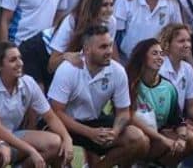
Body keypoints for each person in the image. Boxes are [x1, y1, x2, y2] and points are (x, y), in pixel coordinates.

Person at [47, 26, 149, 168]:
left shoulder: (117, 71)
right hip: (65, 124)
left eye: (110, 46)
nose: (109, 51)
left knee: (138, 139)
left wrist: (115, 132)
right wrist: (89, 133)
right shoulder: (68, 69)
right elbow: (56, 112)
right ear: (87, 49)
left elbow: (124, 112)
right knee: (54, 141)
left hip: (94, 122)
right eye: (103, 47)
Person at [0, 42, 73, 167]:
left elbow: (50, 117)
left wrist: (67, 138)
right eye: (13, 60)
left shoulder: (28, 82)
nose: (20, 63)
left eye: (20, 58)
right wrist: (31, 150)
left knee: (56, 142)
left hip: (14, 134)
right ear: (0, 66)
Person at [124, 39, 193, 166]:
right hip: (135, 137)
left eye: (161, 54)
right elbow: (128, 116)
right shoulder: (130, 83)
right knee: (140, 139)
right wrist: (162, 138)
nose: (160, 57)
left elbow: (178, 121)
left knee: (191, 138)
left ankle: (158, 165)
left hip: (157, 137)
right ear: (143, 57)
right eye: (154, 53)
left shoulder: (168, 87)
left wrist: (181, 138)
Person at [50, 0, 115, 76]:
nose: (110, 10)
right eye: (104, 5)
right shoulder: (72, 21)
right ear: (92, 5)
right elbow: (52, 65)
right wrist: (66, 56)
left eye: (111, 5)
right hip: (41, 52)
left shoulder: (111, 22)